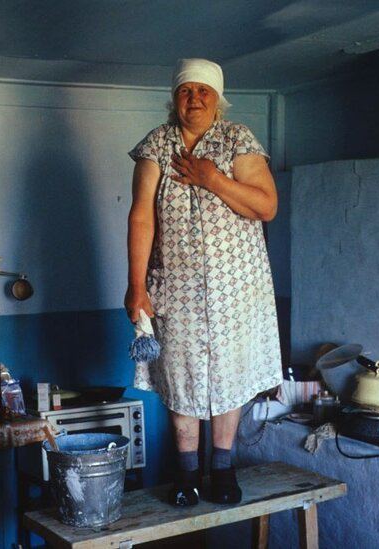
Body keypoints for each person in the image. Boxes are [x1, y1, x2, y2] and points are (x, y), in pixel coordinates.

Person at [125, 58, 282, 506]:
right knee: (181, 375)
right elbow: (142, 217)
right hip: (175, 287)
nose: (194, 99)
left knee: (229, 373)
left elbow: (266, 206)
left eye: (203, 91)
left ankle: (224, 471)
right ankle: (187, 475)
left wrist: (212, 178)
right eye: (185, 90)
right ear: (174, 98)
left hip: (237, 286)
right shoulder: (157, 145)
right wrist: (136, 285)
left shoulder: (237, 139)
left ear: (218, 99)